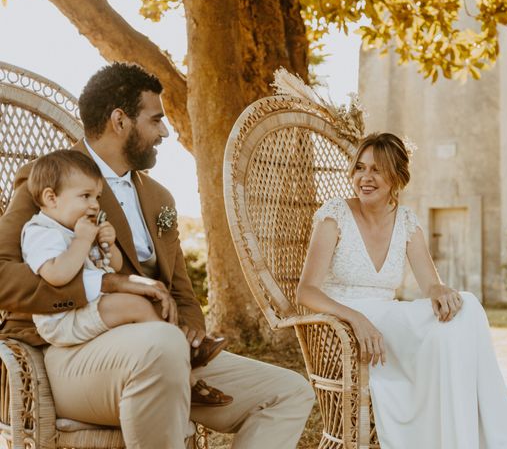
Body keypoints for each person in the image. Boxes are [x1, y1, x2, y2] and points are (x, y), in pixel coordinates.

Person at [0, 62, 314, 448]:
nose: (165, 131)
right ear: (120, 120)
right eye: (156, 119)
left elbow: (180, 288)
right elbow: (3, 277)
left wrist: (192, 330)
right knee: (160, 345)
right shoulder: (49, 180)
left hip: (166, 353)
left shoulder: (159, 197)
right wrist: (109, 282)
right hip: (66, 356)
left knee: (288, 391)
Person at [296, 132, 507, 449]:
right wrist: (357, 319)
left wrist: (440, 290)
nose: (365, 178)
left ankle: (478, 440)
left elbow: (430, 282)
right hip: (347, 327)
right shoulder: (335, 214)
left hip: (391, 321)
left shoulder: (406, 220)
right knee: (452, 332)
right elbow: (306, 292)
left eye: (377, 170)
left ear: (396, 177)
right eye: (360, 168)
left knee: (468, 308)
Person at [21, 149, 231, 406]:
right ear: (51, 198)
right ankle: (185, 372)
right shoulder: (41, 232)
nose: (94, 205)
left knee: (151, 303)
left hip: (91, 308)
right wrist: (83, 240)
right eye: (85, 196)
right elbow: (56, 274)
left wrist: (109, 246)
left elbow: (115, 268)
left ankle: (178, 354)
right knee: (136, 305)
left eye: (97, 197)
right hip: (64, 319)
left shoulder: (79, 227)